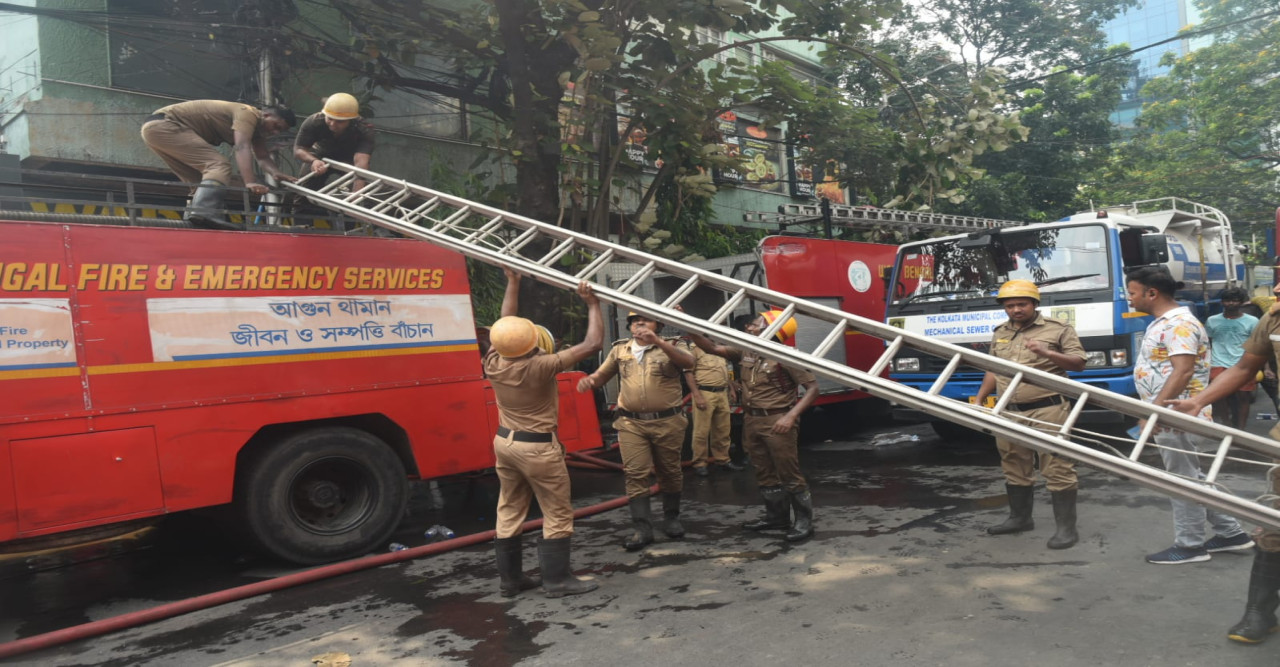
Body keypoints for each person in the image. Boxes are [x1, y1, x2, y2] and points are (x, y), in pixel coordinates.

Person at [1168, 286, 1278, 643]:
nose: (1275, 288)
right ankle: (1259, 612)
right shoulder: (1272, 318)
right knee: (1275, 526)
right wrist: (1198, 401)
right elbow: (1245, 366)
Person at [485, 268, 602, 598]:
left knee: (509, 508)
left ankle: (510, 582)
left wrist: (513, 282)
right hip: (537, 449)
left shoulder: (493, 362)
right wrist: (592, 304)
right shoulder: (541, 365)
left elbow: (505, 328)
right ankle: (557, 581)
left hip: (504, 443)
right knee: (557, 511)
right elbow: (593, 344)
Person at [1126, 266, 1252, 564]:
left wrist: (1155, 412)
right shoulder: (1165, 322)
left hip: (1175, 416)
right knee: (1190, 476)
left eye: (1132, 293)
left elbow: (1183, 371)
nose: (1129, 299)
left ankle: (1190, 544)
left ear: (1151, 293)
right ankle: (1230, 532)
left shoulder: (1179, 324)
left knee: (1181, 480)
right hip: (1171, 414)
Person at [683, 309, 820, 541]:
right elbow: (712, 348)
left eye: (756, 324)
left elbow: (813, 389)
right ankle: (776, 518)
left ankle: (804, 521)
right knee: (763, 471)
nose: (749, 327)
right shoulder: (748, 351)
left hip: (777, 420)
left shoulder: (787, 356)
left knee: (788, 471)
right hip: (752, 420)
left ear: (773, 329)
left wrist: (790, 417)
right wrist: (689, 324)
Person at [973, 280, 1087, 549]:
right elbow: (993, 368)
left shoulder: (1058, 329)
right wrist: (980, 399)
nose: (1015, 310)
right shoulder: (1000, 332)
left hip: (1047, 408)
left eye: (1021, 304)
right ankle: (1020, 518)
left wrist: (1046, 352)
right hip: (1009, 411)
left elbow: (1079, 363)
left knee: (1057, 466)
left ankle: (1066, 530)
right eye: (1010, 305)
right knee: (1013, 463)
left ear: (1035, 303)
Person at [578, 312, 695, 551]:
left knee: (670, 472)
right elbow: (602, 375)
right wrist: (590, 380)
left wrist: (658, 342)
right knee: (635, 473)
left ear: (658, 325)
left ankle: (671, 518)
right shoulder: (620, 350)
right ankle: (642, 528)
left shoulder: (672, 346)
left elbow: (689, 363)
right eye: (634, 321)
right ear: (630, 327)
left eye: (646, 320)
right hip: (631, 424)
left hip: (667, 423)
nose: (639, 324)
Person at [140, 100, 297, 229]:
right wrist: (249, 181)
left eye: (280, 131)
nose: (275, 132)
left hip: (154, 130)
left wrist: (277, 173)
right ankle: (205, 213)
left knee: (199, 179)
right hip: (167, 125)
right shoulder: (248, 112)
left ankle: (194, 219)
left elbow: (262, 156)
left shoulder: (257, 130)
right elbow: (241, 146)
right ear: (266, 115)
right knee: (219, 165)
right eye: (276, 126)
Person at [292, 93, 376, 195]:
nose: (333, 124)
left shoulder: (363, 128)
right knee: (304, 189)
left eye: (339, 121)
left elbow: (361, 161)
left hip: (349, 159)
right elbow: (299, 149)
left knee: (364, 190)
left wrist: (356, 195)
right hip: (320, 154)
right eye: (330, 119)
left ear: (350, 120)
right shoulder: (314, 121)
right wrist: (314, 160)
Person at [684, 341, 743, 477]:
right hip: (704, 392)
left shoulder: (720, 349)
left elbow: (723, 372)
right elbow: (688, 373)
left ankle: (723, 460)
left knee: (723, 430)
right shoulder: (695, 349)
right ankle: (700, 463)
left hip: (722, 393)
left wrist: (731, 388)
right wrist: (697, 395)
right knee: (701, 431)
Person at [1205, 287, 1259, 429]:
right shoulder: (1212, 321)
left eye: (1235, 301)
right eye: (1227, 300)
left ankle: (1241, 429)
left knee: (1243, 398)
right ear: (1222, 302)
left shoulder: (1252, 321)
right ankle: (1226, 425)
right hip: (1218, 363)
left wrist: (1264, 367)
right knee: (1219, 396)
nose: (1231, 304)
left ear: (1241, 303)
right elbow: (1207, 343)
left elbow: (1258, 344)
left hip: (1244, 364)